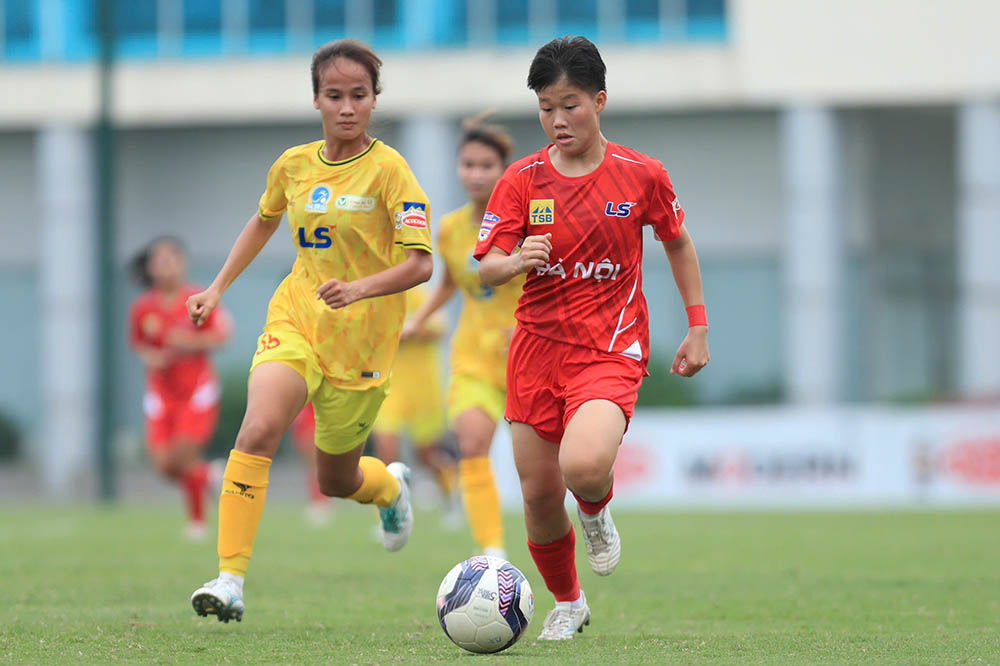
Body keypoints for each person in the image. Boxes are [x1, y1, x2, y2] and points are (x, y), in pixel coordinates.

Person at [185, 38, 434, 623]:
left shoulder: (391, 170)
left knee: (337, 479)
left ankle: (389, 491)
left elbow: (422, 263)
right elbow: (264, 219)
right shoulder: (293, 164)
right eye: (334, 95)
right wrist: (217, 288)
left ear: (374, 101)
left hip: (364, 344)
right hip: (296, 318)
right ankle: (230, 580)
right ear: (316, 100)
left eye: (359, 95)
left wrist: (360, 289)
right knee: (260, 428)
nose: (347, 107)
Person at [475, 36, 710, 641]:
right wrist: (517, 259)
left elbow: (677, 241)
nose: (557, 120)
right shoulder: (521, 181)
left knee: (582, 467)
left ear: (599, 101)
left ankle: (598, 511)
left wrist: (698, 324)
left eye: (570, 104)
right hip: (535, 349)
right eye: (546, 107)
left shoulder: (641, 175)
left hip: (610, 346)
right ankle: (568, 602)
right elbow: (486, 267)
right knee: (538, 493)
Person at [401, 117, 523, 558]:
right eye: (468, 164)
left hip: (529, 354)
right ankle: (493, 551)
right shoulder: (450, 228)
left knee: (548, 469)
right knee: (472, 446)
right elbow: (452, 282)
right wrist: (420, 319)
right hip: (474, 354)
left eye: (487, 165)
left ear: (505, 170)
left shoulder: (529, 220)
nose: (476, 174)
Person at [128, 237, 231, 540]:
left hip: (196, 391)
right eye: (158, 260)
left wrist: (188, 342)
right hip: (161, 393)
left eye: (171, 258)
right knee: (163, 465)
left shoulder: (199, 298)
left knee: (184, 456)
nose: (165, 266)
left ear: (182, 262)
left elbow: (221, 336)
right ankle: (211, 476)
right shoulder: (143, 307)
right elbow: (138, 345)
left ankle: (197, 522)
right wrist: (152, 357)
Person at [371, 284, 458, 520]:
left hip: (423, 388)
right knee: (386, 451)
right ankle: (390, 515)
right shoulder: (375, 294)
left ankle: (453, 498)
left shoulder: (419, 294)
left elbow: (439, 328)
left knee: (427, 455)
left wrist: (407, 329)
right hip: (389, 386)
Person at [288, 402, 334, 525]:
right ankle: (317, 500)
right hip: (302, 420)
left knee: (317, 465)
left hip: (317, 419)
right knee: (311, 466)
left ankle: (321, 501)